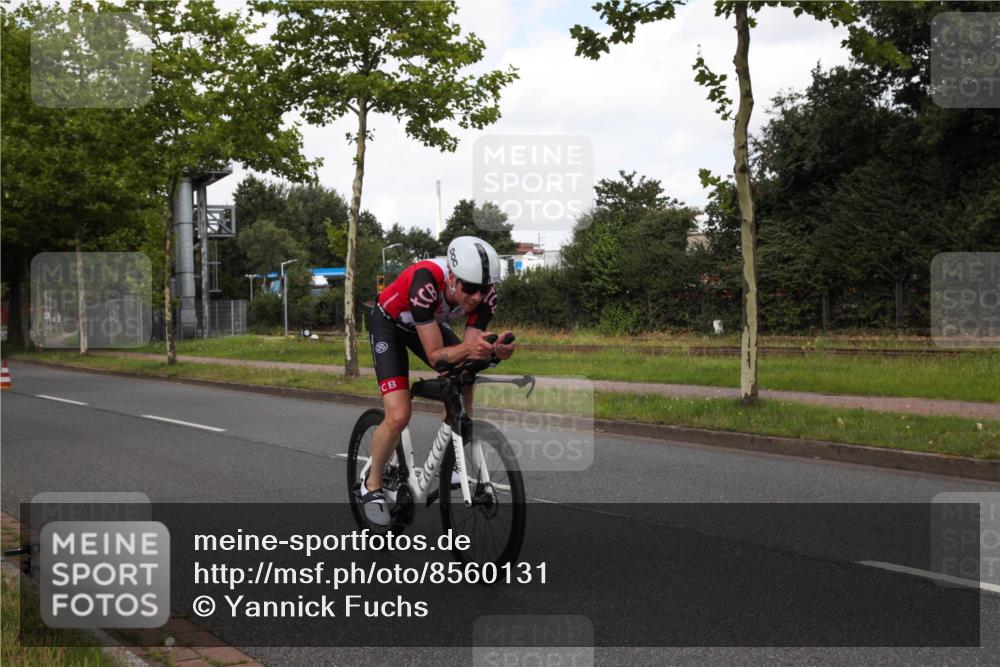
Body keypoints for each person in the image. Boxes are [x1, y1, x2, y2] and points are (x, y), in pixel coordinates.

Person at [360, 236, 516, 527]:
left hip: (426, 324)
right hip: (389, 326)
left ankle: (456, 451)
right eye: (469, 288)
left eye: (485, 289)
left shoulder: (485, 298)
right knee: (398, 414)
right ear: (453, 277)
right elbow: (436, 356)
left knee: (466, 376)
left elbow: (467, 354)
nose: (477, 297)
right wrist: (469, 350)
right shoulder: (426, 281)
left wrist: (493, 353)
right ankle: (371, 485)